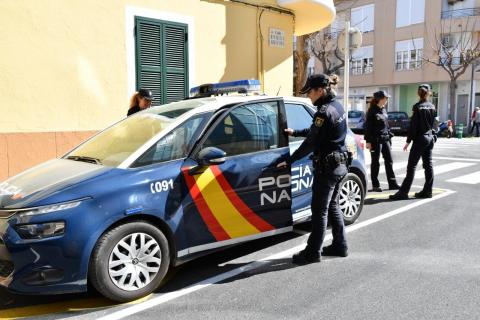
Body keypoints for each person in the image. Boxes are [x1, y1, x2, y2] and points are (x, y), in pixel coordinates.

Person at [277, 74, 349, 264]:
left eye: (309, 91)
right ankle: (340, 245)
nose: (308, 96)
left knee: (319, 211)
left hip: (327, 169)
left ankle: (312, 252)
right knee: (332, 206)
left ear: (320, 90)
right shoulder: (337, 106)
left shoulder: (323, 113)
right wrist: (296, 132)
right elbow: (320, 133)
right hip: (340, 165)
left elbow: (311, 142)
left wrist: (290, 160)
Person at [390, 84, 437, 200]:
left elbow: (413, 126)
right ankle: (427, 191)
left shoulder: (417, 107)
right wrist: (434, 136)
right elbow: (435, 124)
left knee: (411, 167)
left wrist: (408, 141)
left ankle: (403, 192)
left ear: (418, 93)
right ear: (429, 93)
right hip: (429, 138)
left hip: (420, 139)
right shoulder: (432, 106)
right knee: (428, 166)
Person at [364, 91, 400, 192]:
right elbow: (367, 128)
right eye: (385, 98)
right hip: (375, 140)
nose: (387, 100)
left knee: (389, 161)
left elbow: (386, 125)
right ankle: (375, 185)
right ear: (380, 99)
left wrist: (389, 135)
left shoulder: (383, 110)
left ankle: (392, 183)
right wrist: (368, 142)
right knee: (375, 162)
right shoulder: (372, 111)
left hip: (385, 139)